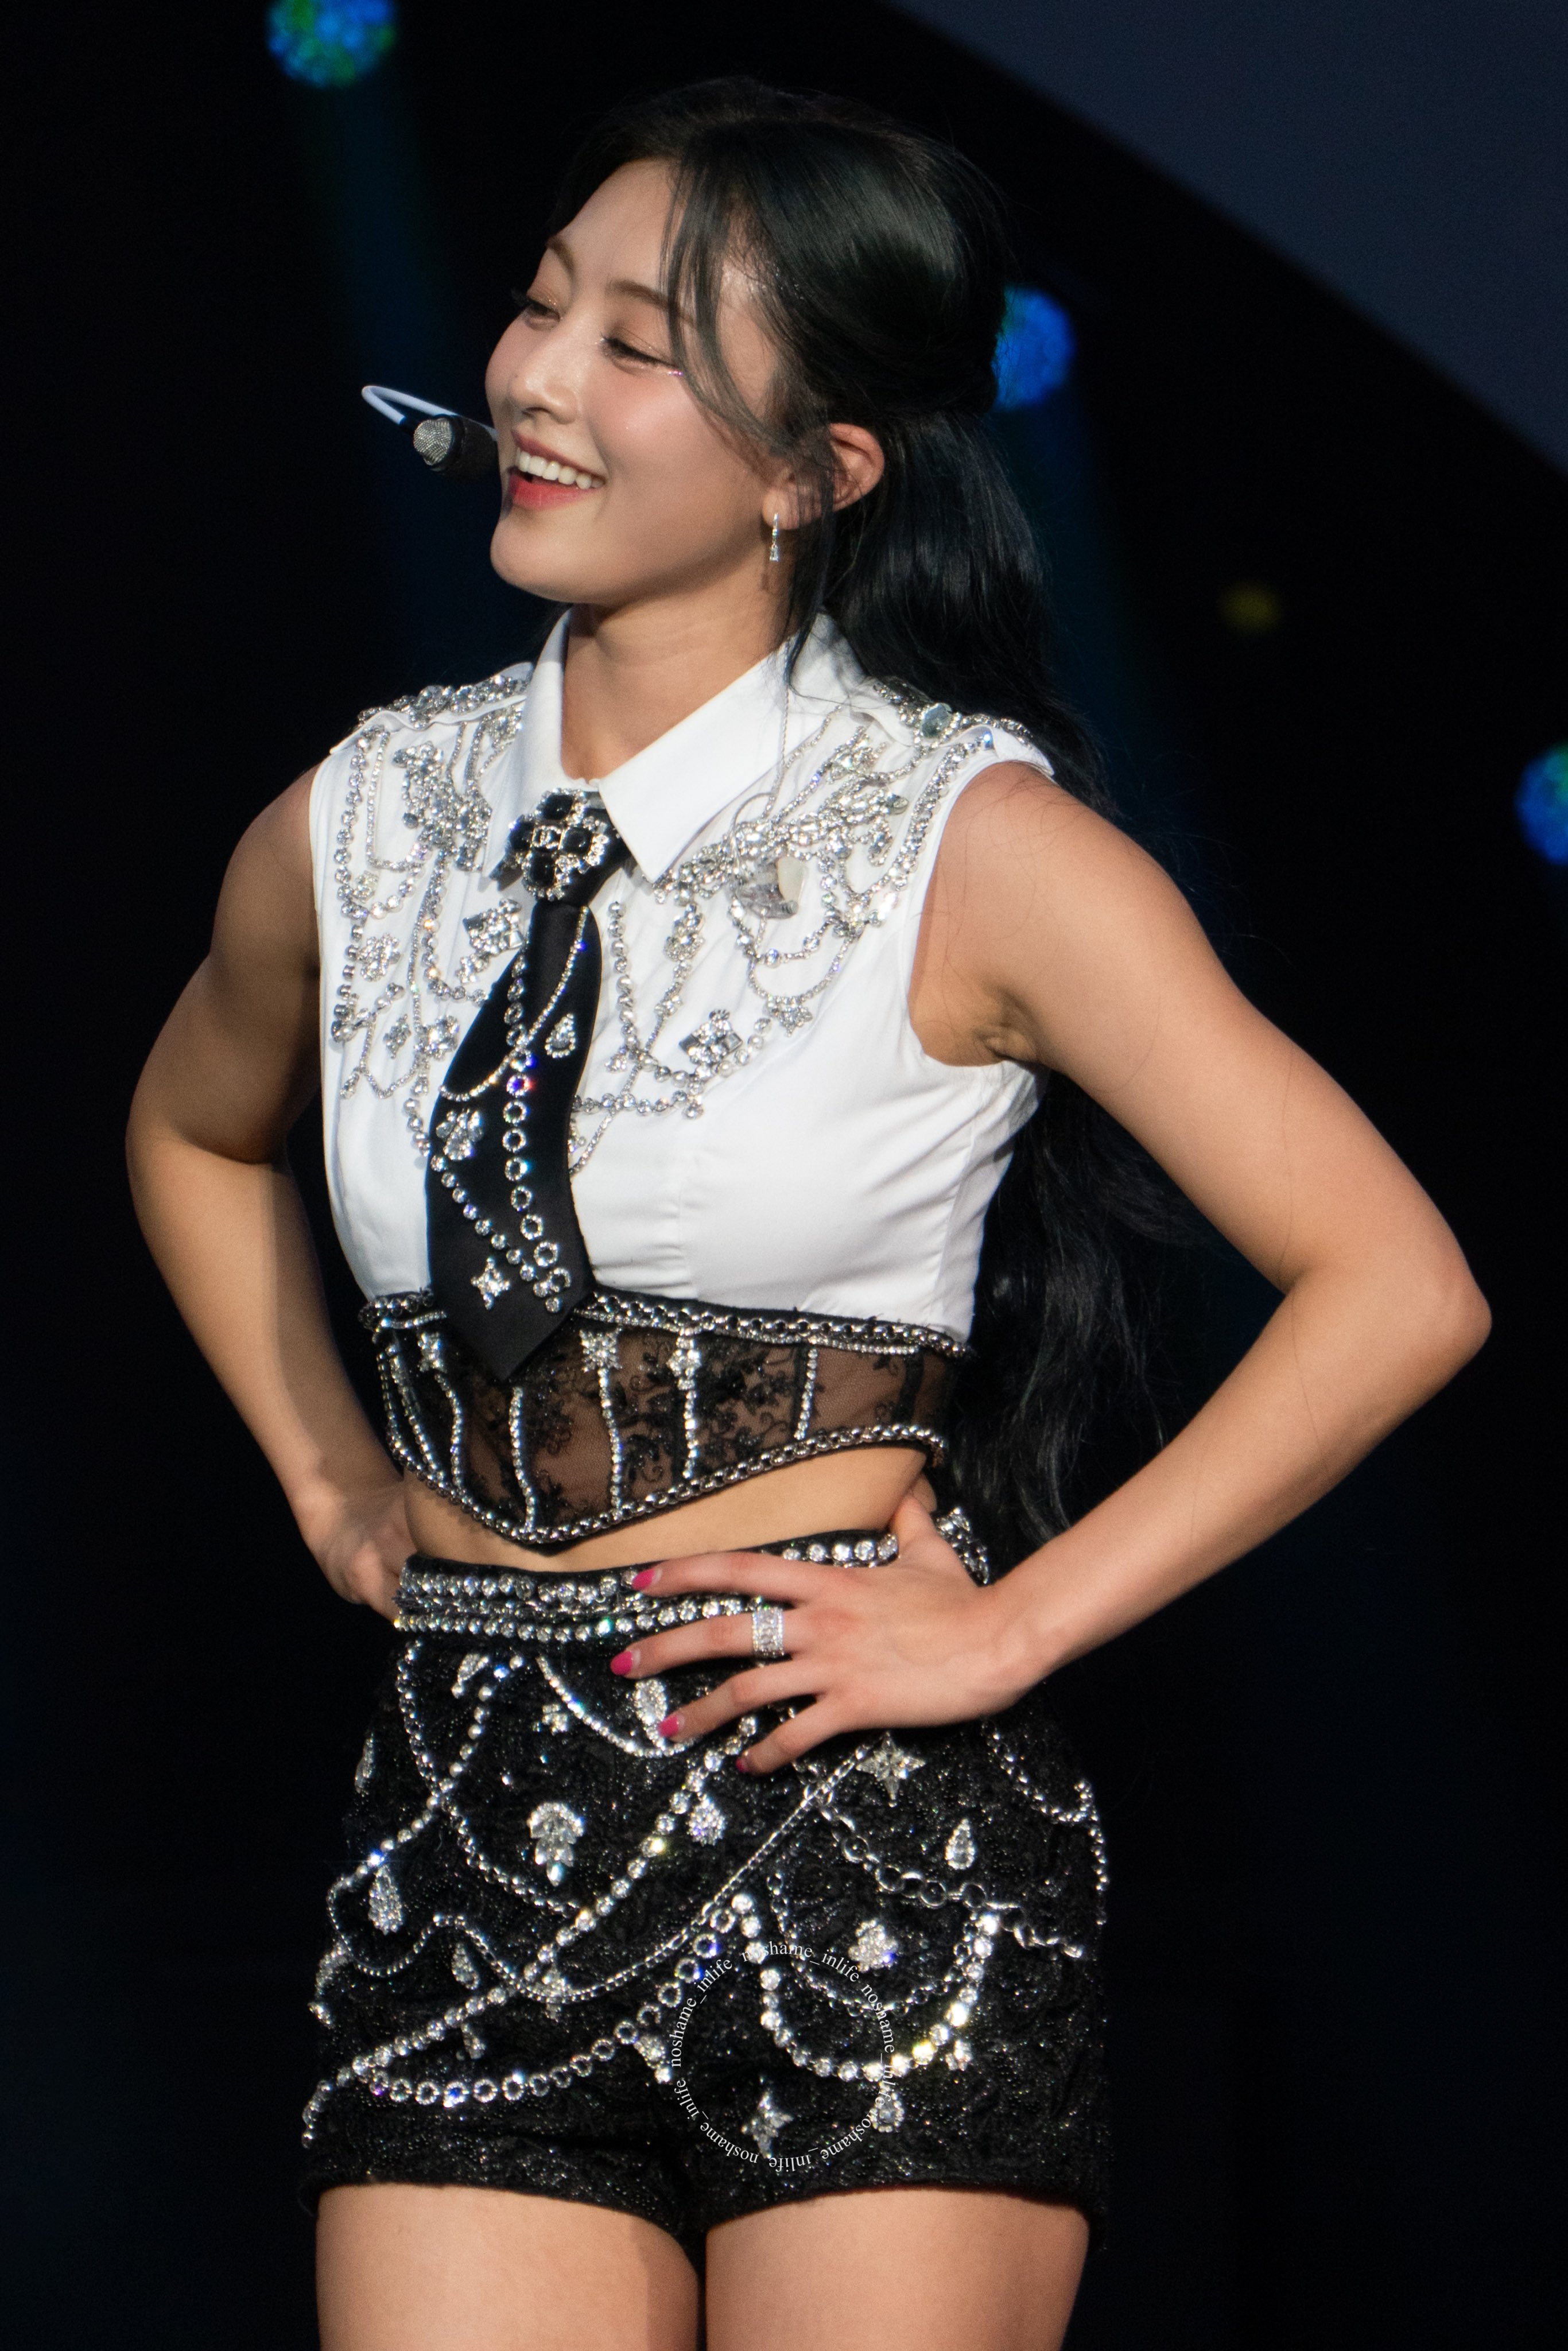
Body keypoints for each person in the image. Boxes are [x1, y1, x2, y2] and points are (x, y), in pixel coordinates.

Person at [126, 79, 1489, 2351]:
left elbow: (1394, 1283)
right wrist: (327, 1473)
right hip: (458, 1821)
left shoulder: (976, 845)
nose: (536, 379)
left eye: (636, 344)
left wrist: (1007, 1631)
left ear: (814, 470)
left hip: (858, 1830)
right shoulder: (357, 819)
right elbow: (189, 1128)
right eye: (538, 306)